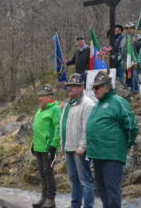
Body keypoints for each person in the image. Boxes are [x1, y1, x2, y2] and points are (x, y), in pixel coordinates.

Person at [86, 71, 138, 208]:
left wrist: (128, 144)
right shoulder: (97, 104)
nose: (94, 90)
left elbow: (131, 126)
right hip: (97, 154)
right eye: (93, 88)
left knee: (112, 187)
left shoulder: (118, 102)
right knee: (101, 187)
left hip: (112, 154)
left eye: (97, 87)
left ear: (107, 87)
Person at [59, 74, 95, 208]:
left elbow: (87, 128)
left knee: (84, 180)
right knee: (73, 179)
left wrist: (82, 147)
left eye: (73, 86)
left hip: (80, 149)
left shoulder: (88, 104)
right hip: (69, 147)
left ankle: (88, 205)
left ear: (81, 87)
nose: (70, 88)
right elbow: (64, 125)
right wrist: (62, 145)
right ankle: (75, 204)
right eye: (69, 86)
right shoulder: (68, 103)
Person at [32, 85, 61, 208]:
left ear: (50, 96)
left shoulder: (55, 109)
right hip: (39, 146)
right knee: (42, 172)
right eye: (40, 96)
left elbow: (58, 128)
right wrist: (33, 143)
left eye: (43, 96)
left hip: (48, 146)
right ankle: (43, 197)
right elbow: (38, 128)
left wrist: (54, 145)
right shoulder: (40, 110)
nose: (40, 98)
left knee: (48, 172)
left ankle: (51, 199)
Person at [122, 22, 141, 93]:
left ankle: (137, 91)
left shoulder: (138, 37)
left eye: (131, 28)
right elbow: (121, 50)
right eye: (127, 29)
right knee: (128, 77)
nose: (129, 30)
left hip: (135, 61)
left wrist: (136, 42)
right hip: (127, 62)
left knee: (135, 77)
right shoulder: (124, 39)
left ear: (134, 29)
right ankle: (129, 91)